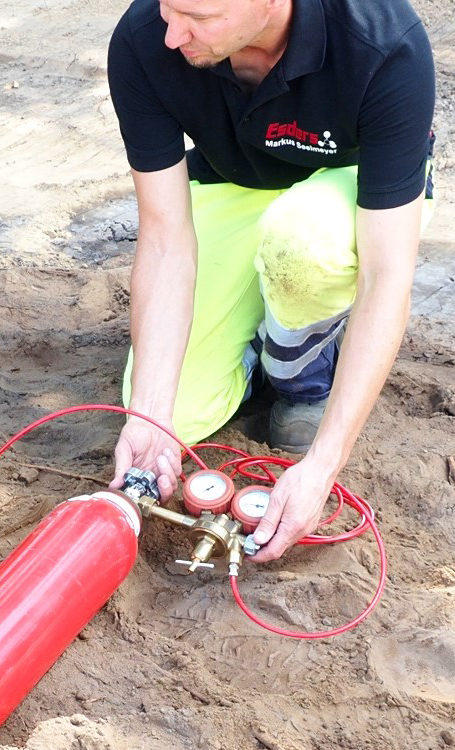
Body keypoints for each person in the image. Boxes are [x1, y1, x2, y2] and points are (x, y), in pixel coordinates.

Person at [105, 0, 436, 563]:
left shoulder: (384, 45)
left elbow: (386, 276)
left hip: (348, 196)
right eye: (168, 8)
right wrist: (151, 413)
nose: (172, 35)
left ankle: (302, 373)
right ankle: (257, 333)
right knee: (174, 421)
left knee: (300, 244)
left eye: (199, 19)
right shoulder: (144, 39)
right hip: (234, 183)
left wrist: (322, 467)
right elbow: (165, 238)